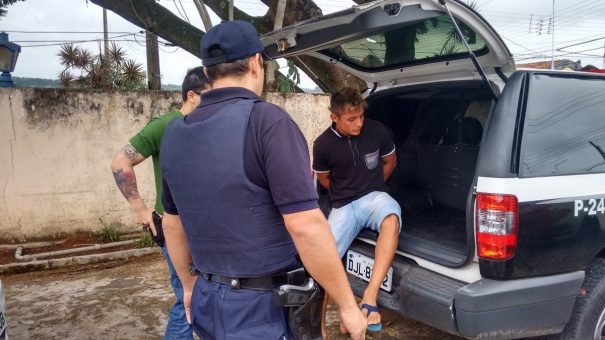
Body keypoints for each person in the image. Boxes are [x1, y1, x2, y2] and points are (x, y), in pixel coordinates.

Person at [159, 20, 367, 339]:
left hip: (208, 300)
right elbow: (306, 225)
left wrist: (188, 287)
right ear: (257, 63)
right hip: (261, 311)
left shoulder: (174, 133)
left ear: (207, 70)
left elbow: (172, 224)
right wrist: (348, 305)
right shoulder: (267, 123)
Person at [110, 67, 210, 340]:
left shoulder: (209, 126)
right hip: (175, 227)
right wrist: (140, 209)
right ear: (192, 95)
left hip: (204, 229)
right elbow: (120, 162)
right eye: (210, 96)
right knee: (188, 298)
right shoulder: (166, 125)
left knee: (200, 296)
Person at [312, 87, 401, 332]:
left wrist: (373, 185)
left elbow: (390, 161)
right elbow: (324, 180)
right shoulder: (322, 144)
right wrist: (345, 192)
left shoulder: (377, 130)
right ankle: (344, 311)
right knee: (321, 260)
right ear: (335, 117)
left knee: (391, 218)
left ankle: (370, 297)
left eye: (361, 116)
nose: (359, 123)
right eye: (352, 119)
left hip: (373, 196)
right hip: (343, 204)